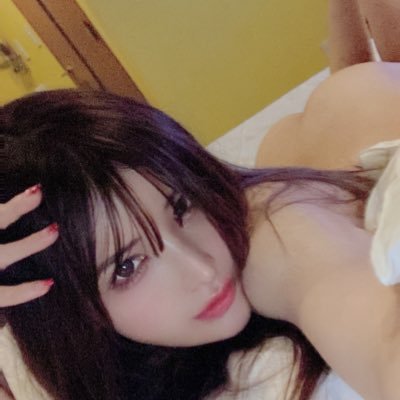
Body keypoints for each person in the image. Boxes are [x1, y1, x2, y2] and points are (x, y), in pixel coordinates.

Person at [1, 1, 400, 399]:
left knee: (358, 81)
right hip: (336, 125)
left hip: (363, 110)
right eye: (127, 266)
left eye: (180, 206)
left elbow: (379, 342)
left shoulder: (276, 235)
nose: (203, 270)